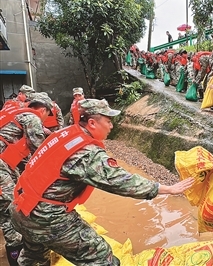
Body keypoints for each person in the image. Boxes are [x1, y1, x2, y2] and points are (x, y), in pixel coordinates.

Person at [10, 99, 195, 265]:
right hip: (45, 218)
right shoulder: (86, 152)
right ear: (92, 122)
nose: (112, 126)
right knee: (103, 258)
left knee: (33, 258)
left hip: (19, 208)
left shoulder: (65, 133)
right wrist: (166, 189)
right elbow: (121, 181)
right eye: (108, 121)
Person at [0, 93, 53, 265]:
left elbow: (21, 157)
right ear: (43, 109)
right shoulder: (32, 118)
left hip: (6, 166)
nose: (45, 118)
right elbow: (39, 152)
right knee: (9, 212)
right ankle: (17, 259)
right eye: (47, 115)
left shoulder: (16, 115)